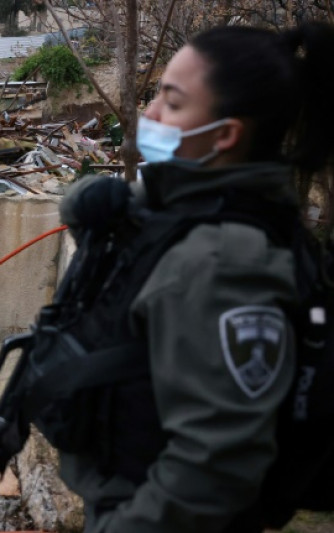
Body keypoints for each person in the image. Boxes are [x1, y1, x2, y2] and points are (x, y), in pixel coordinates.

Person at [40, 22, 334, 533]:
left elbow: (214, 465)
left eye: (172, 104)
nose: (149, 114)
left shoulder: (223, 263)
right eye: (157, 95)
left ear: (225, 135)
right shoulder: (183, 212)